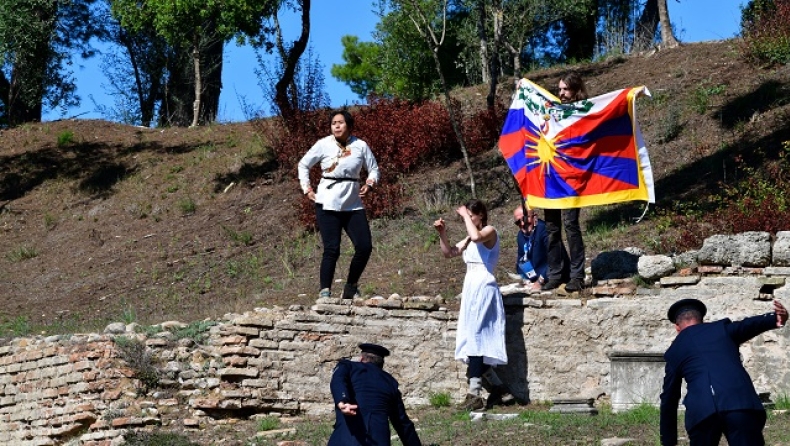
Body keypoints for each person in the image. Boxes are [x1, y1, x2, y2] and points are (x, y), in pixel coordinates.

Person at [659, 298, 788, 446]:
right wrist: (775, 318)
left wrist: (668, 441)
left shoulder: (675, 350)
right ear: (701, 320)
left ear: (677, 327)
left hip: (702, 410)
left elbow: (669, 397)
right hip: (738, 402)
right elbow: (747, 325)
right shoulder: (721, 329)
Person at [433, 200, 512, 410]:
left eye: (470, 215)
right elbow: (449, 252)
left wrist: (465, 216)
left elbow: (477, 237)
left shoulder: (489, 231)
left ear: (480, 215)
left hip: (484, 287)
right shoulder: (469, 236)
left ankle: (474, 393)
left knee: (477, 336)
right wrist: (442, 234)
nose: (466, 219)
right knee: (471, 337)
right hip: (471, 288)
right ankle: (500, 389)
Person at [298, 110, 379, 300]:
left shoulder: (360, 146)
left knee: (364, 246)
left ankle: (351, 286)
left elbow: (373, 169)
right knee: (332, 248)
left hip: (352, 203)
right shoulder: (323, 144)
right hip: (327, 202)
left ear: (349, 125)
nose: (336, 126)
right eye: (333, 122)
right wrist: (307, 189)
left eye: (340, 122)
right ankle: (325, 291)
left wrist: (369, 184)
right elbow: (303, 165)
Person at [542, 72, 588, 293]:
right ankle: (555, 274)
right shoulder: (554, 112)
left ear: (576, 89)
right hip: (551, 177)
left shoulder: (585, 112)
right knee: (551, 228)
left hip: (572, 179)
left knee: (570, 225)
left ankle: (577, 276)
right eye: (559, 89)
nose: (561, 93)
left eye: (565, 89)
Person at [328, 343, 423, 446]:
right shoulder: (390, 382)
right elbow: (403, 424)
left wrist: (342, 400)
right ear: (381, 365)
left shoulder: (348, 366)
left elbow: (338, 379)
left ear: (361, 359)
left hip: (346, 440)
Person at [513, 204, 569, 292]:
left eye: (524, 219)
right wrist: (525, 278)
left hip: (552, 276)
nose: (522, 224)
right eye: (518, 222)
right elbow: (521, 260)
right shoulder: (520, 236)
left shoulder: (544, 229)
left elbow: (555, 257)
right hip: (534, 277)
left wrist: (540, 281)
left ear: (534, 217)